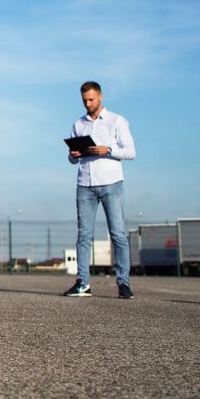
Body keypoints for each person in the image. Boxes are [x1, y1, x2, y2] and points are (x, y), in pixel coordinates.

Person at [63, 81, 137, 299]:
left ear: (101, 97)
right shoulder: (78, 124)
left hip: (111, 184)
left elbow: (131, 151)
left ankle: (123, 284)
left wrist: (108, 149)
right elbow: (71, 159)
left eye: (91, 99)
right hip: (84, 185)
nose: (88, 103)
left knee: (118, 235)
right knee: (83, 236)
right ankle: (83, 283)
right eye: (84, 100)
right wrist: (73, 155)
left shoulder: (117, 121)